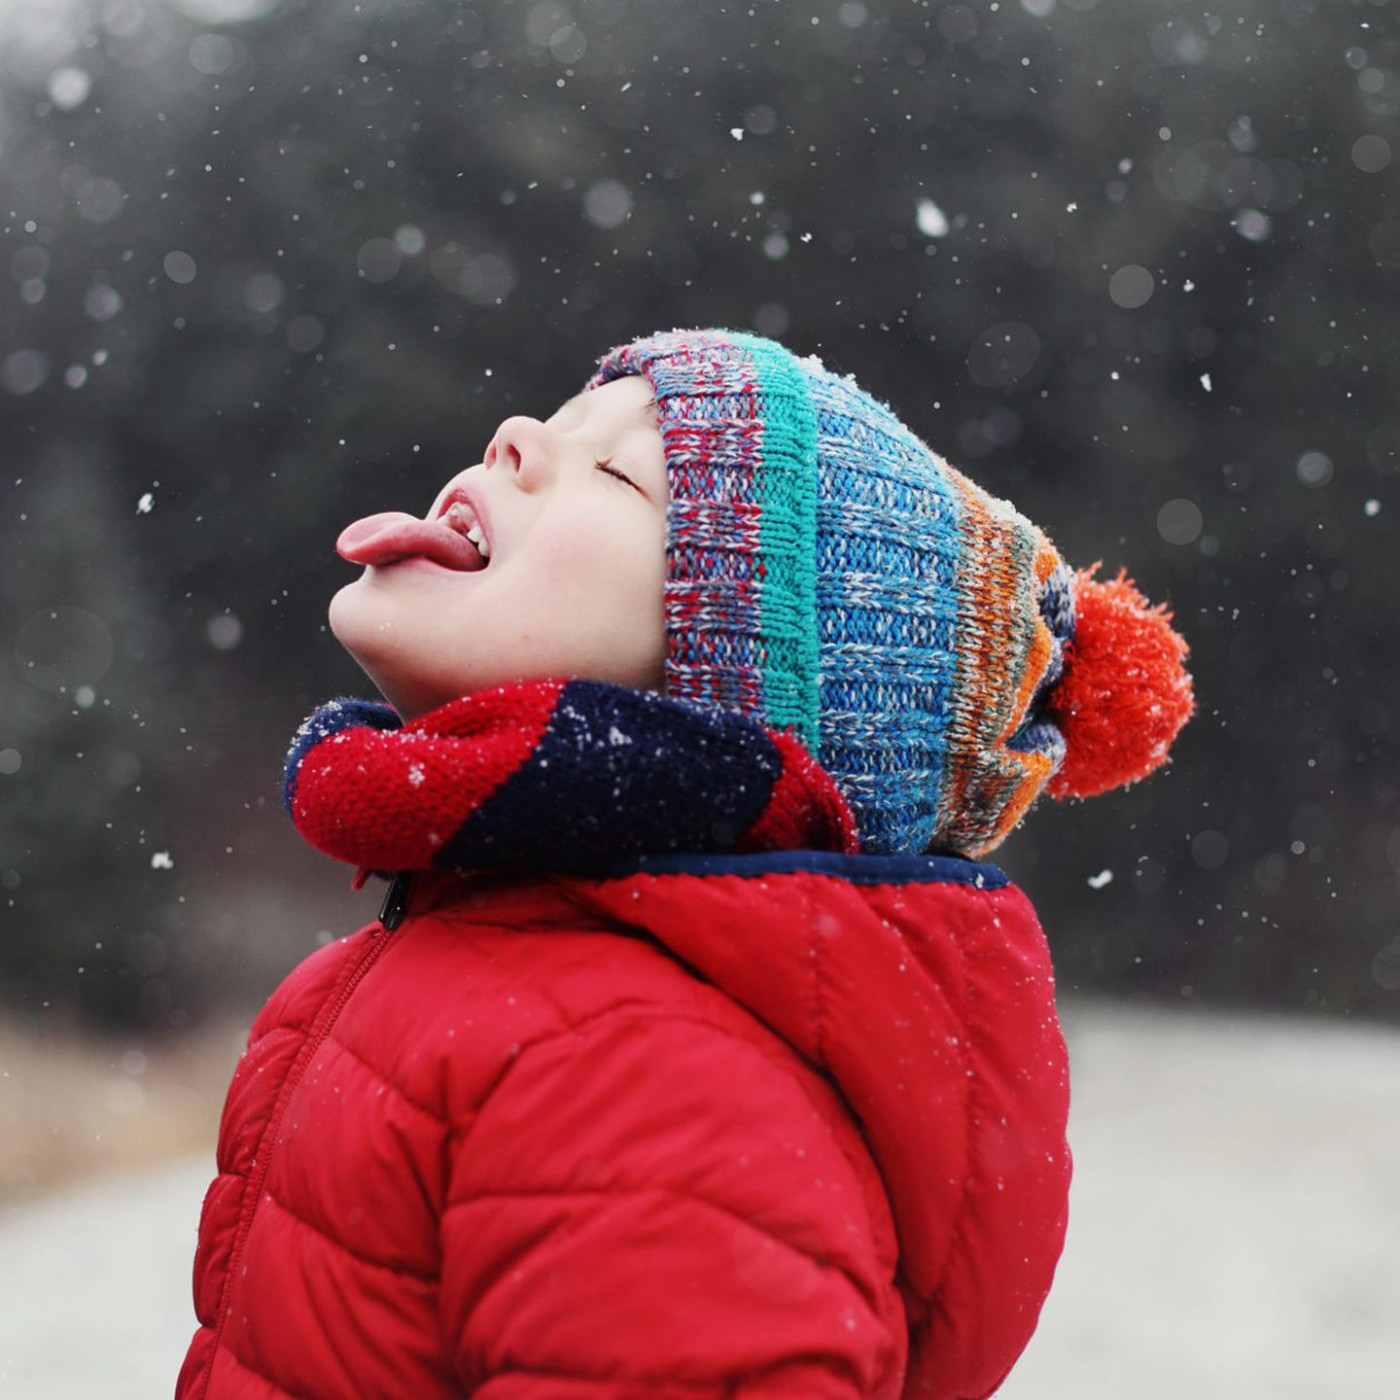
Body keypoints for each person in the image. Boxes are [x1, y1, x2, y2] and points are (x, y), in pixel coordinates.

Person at [177, 328, 1193, 1400]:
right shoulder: (478, 965)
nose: (513, 436)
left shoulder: (643, 1078)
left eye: (619, 471)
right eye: (559, 419)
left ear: (725, 683)